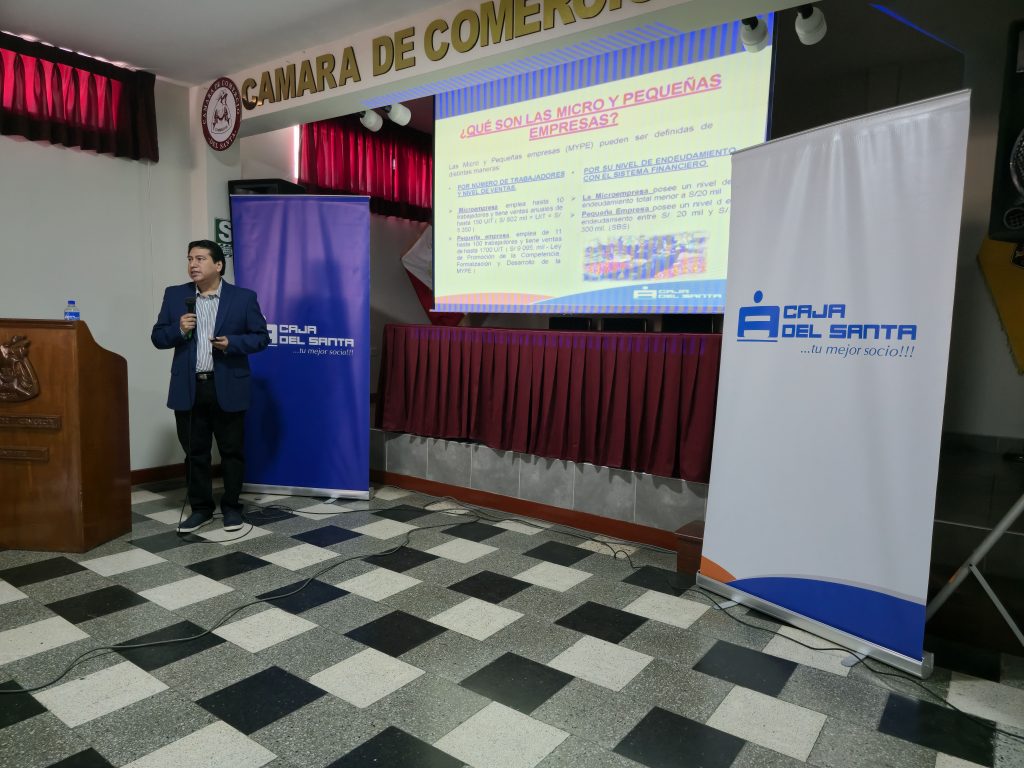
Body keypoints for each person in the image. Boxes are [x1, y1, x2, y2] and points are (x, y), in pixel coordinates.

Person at [151, 240, 269, 533]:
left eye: (200, 258)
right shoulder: (175, 295)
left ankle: (231, 508)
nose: (193, 264)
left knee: (231, 451)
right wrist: (179, 330)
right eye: (190, 258)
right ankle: (201, 509)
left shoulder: (243, 298)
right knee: (195, 453)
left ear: (218, 265)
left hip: (227, 385)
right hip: (189, 387)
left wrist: (233, 343)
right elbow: (158, 337)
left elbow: (261, 337)